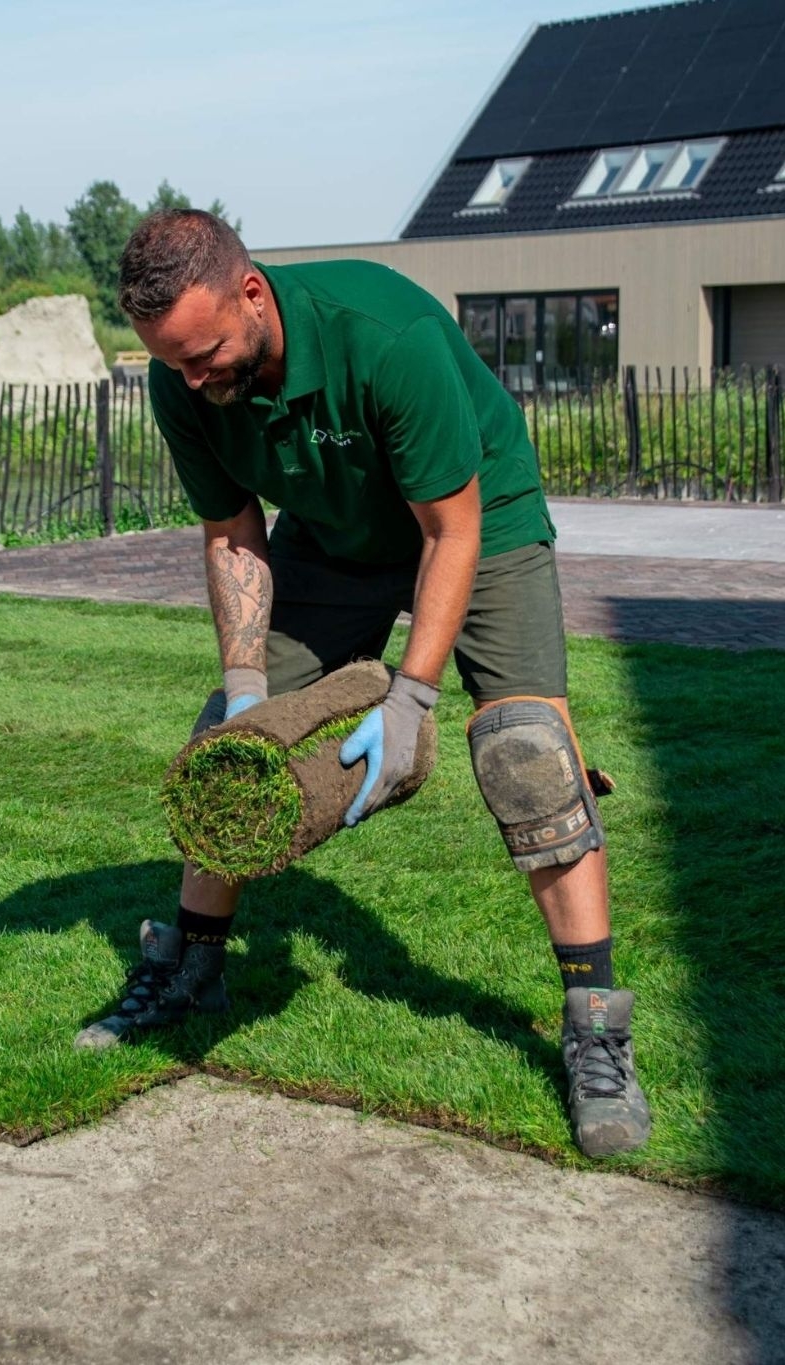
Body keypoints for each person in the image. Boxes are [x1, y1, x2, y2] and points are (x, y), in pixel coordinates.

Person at [74, 209, 651, 1159]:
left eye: (205, 351)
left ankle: (595, 1026)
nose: (192, 377)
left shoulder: (387, 338)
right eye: (171, 361)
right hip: (335, 539)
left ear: (252, 293)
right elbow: (231, 532)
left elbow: (450, 535)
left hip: (478, 517)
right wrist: (248, 685)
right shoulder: (186, 383)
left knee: (526, 754)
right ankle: (190, 969)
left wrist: (410, 697)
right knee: (227, 748)